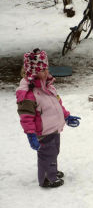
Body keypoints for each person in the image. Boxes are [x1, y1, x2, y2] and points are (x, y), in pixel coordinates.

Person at [16, 49, 80, 188]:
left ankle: (52, 171)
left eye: (46, 68)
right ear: (33, 72)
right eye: (42, 70)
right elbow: (26, 117)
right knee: (47, 154)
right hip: (43, 132)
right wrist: (31, 134)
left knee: (54, 151)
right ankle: (47, 179)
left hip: (53, 129)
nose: (46, 72)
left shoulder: (49, 87)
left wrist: (67, 116)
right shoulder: (28, 94)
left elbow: (58, 104)